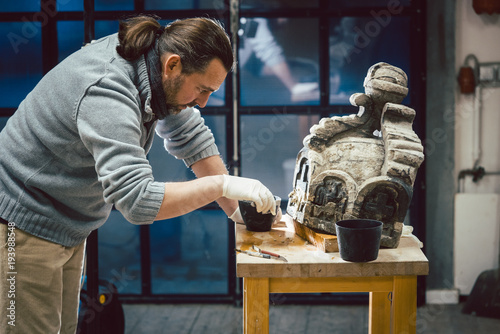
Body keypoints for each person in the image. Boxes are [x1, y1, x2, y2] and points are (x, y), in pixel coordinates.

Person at [0, 15, 279, 333]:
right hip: (21, 222)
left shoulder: (153, 64)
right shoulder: (106, 90)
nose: (202, 102)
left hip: (66, 221)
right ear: (173, 65)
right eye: (202, 89)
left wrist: (238, 212)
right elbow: (136, 199)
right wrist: (222, 184)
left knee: (62, 328)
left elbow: (192, 138)